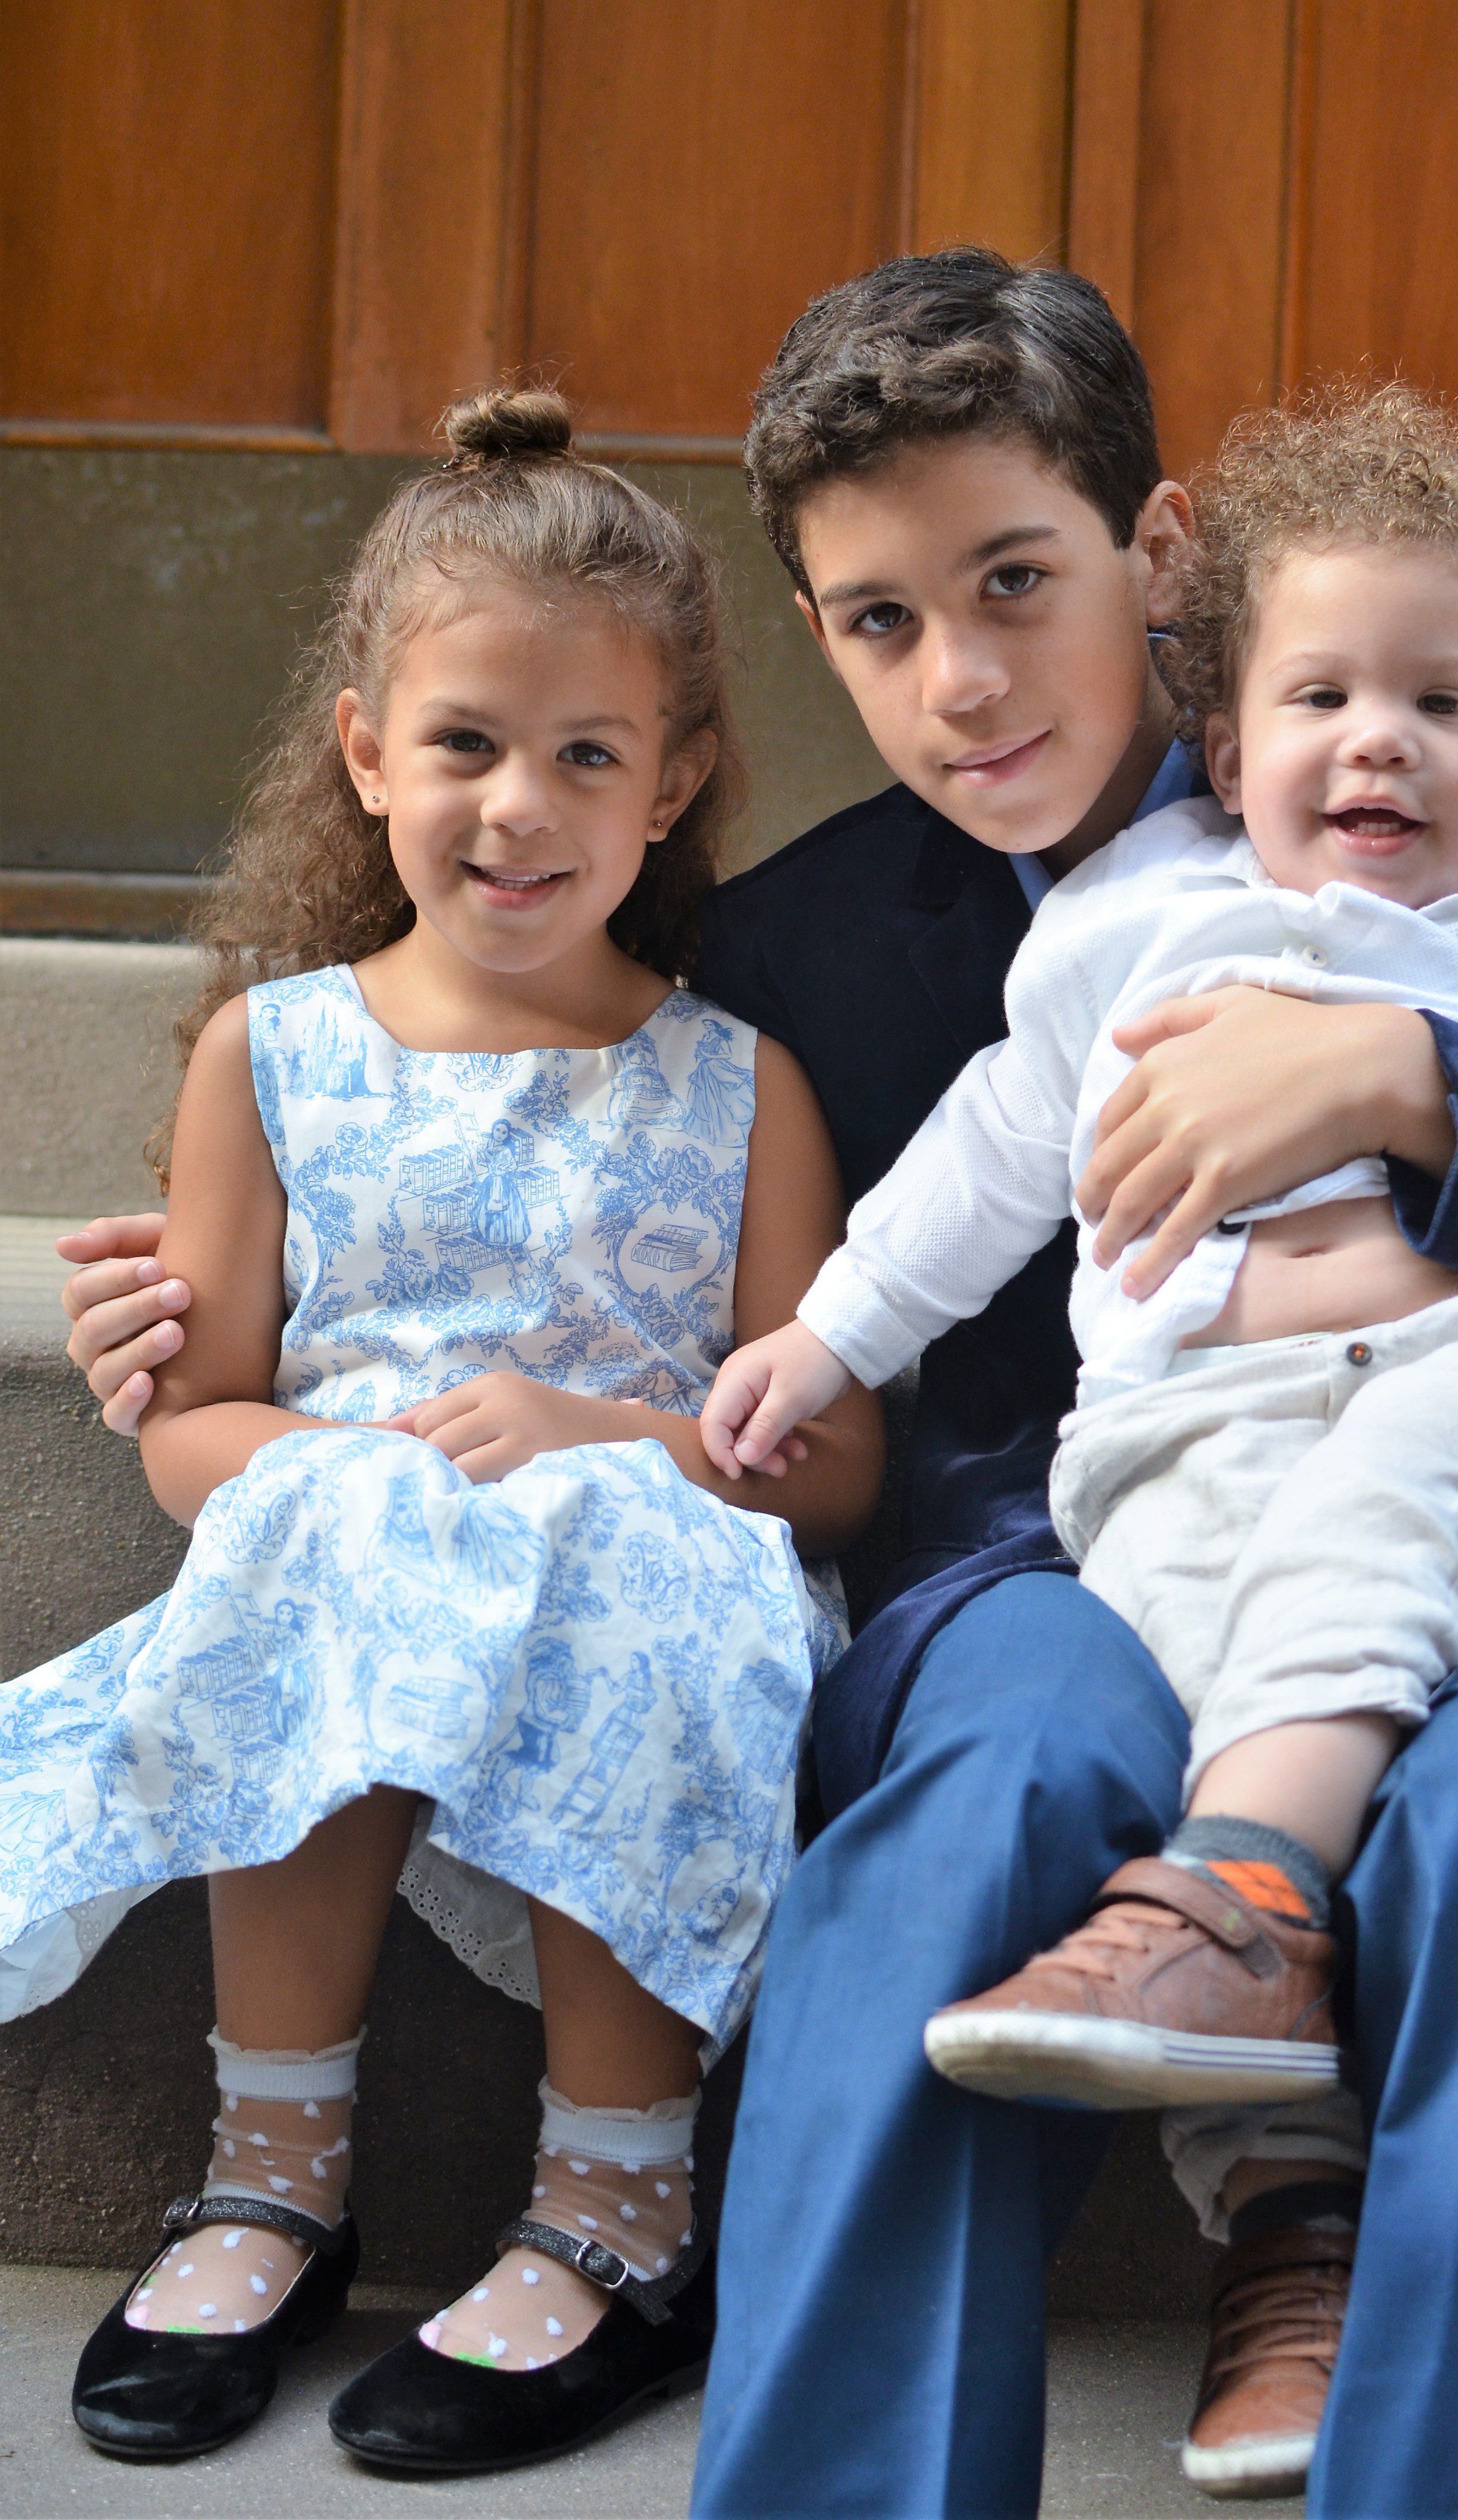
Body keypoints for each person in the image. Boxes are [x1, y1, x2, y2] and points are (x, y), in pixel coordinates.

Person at [60, 257, 1458, 2515]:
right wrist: (205, 1304)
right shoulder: (794, 951)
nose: (961, 680)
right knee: (981, 1788)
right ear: (812, 635)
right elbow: (528, 1087)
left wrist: (1416, 1082)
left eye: (1015, 583)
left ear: (1160, 550)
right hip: (1048, 1544)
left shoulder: (1446, 799)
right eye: (879, 622)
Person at [4, 386, 883, 2476]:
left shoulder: (739, 1088)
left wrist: (603, 1434)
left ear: (673, 782)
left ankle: (618, 2205)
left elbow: (832, 1469)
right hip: (357, 1555)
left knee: (630, 1545)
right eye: (467, 741)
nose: (517, 803)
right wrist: (353, 1476)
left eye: (586, 753)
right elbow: (193, 1430)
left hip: (648, 1582)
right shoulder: (274, 1053)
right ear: (366, 751)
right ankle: (272, 2175)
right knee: (322, 1532)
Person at [704, 387, 1458, 2174]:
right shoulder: (1126, 920)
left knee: (1391, 1517)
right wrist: (826, 1334)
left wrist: (1426, 1079)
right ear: (1228, 752)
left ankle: (1244, 1883)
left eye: (1441, 707)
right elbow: (994, 1149)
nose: (1378, 744)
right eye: (1322, 700)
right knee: (1203, 1678)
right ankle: (1276, 2191)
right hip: (1197, 1424)